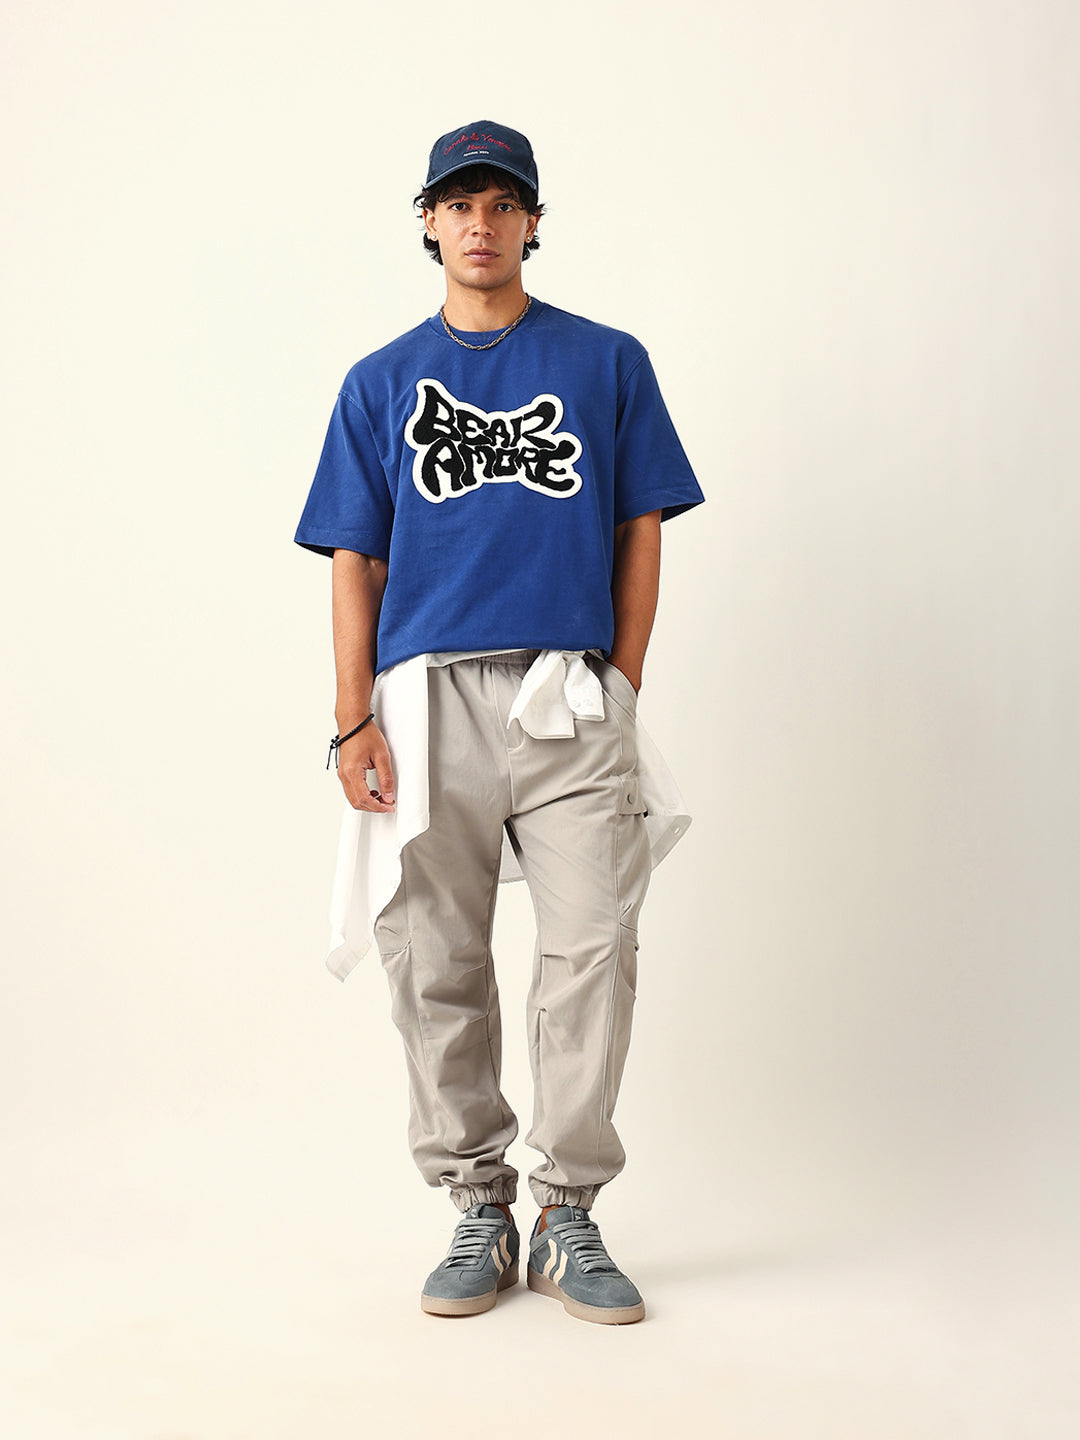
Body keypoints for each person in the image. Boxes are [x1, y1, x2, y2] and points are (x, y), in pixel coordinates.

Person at [295, 120, 704, 1325]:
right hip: (424, 702)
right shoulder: (379, 382)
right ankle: (478, 1200)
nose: (481, 223)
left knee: (594, 949)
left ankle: (567, 1211)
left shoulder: (606, 361)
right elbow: (355, 557)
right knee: (436, 958)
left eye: (502, 203)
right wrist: (351, 721)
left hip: (566, 693)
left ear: (532, 221)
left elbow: (639, 527)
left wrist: (622, 685)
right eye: (459, 203)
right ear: (428, 222)